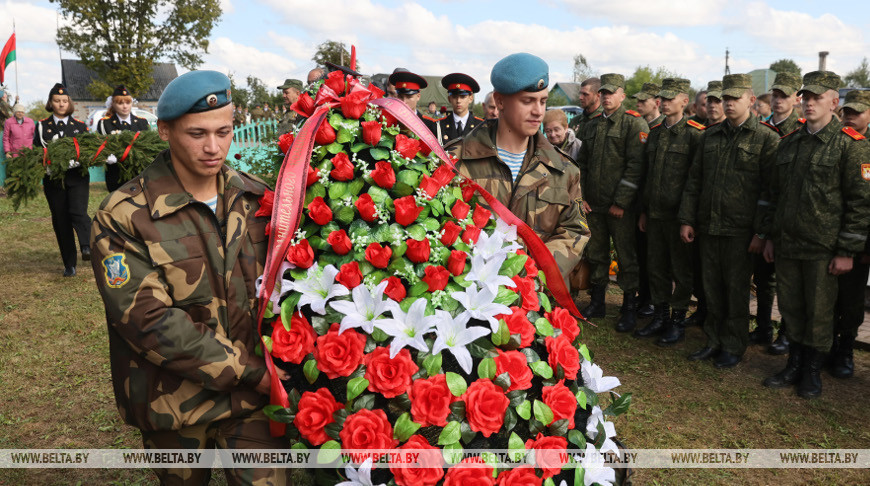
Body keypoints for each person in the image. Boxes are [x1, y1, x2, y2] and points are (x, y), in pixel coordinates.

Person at [89, 70, 290, 484]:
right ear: (164, 130)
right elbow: (147, 321)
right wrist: (256, 373)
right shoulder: (124, 214)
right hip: (175, 406)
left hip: (253, 404)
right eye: (197, 133)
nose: (213, 147)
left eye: (224, 131)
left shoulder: (258, 199)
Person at [762, 72, 870, 398]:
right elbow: (775, 195)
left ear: (834, 102)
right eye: (805, 97)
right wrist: (769, 236)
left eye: (817, 98)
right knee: (792, 307)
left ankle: (812, 369)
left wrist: (847, 251)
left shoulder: (851, 145)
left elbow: (860, 203)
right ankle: (793, 362)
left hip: (824, 249)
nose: (809, 103)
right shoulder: (790, 142)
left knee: (820, 312)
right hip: (789, 243)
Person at [447, 52, 589, 288]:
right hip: (468, 293)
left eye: (543, 101)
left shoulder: (563, 169)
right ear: (500, 101)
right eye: (528, 101)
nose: (538, 111)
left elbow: (574, 230)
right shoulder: (456, 160)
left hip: (536, 299)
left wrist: (533, 274)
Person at [679, 74, 779, 369]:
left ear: (751, 99)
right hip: (709, 226)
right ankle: (713, 339)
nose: (730, 103)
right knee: (711, 288)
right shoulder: (709, 136)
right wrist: (687, 219)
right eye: (726, 98)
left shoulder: (765, 139)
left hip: (741, 231)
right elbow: (694, 181)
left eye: (736, 98)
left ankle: (733, 344)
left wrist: (761, 232)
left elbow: (770, 192)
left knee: (736, 291)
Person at [576, 73, 649, 332]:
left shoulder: (633, 125)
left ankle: (629, 308)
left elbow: (635, 167)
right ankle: (598, 302)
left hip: (620, 209)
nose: (606, 97)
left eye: (611, 93)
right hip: (593, 205)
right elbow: (582, 163)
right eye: (603, 93)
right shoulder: (592, 125)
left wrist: (621, 202)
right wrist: (581, 196)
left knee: (626, 257)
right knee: (597, 254)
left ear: (622, 95)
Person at [635, 78, 704, 345]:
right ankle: (661, 315)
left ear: (684, 101)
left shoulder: (695, 134)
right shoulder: (655, 133)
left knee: (681, 270)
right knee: (657, 267)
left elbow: (696, 181)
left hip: (678, 217)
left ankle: (677, 321)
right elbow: (647, 177)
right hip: (655, 215)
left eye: (669, 98)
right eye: (661, 99)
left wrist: (688, 219)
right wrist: (643, 211)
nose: (663, 103)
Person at [752, 72, 804, 354]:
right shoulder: (761, 128)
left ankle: (785, 333)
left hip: (786, 219)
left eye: (785, 95)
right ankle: (762, 328)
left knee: (785, 283)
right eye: (775, 95)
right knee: (761, 279)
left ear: (797, 99)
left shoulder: (801, 130)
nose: (779, 100)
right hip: (761, 213)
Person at [830, 89, 870, 379]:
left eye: (857, 111)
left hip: (860, 241)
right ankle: (828, 344)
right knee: (828, 298)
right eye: (847, 111)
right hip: (828, 234)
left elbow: (863, 201)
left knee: (852, 299)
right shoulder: (833, 142)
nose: (850, 116)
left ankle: (845, 349)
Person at [33, 83, 90, 277]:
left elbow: (89, 151)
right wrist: (46, 164)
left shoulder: (80, 127)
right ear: (51, 102)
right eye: (57, 101)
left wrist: (79, 159)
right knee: (61, 219)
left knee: (78, 211)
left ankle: (86, 245)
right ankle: (69, 263)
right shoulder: (42, 126)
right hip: (54, 179)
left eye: (64, 101)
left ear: (69, 103)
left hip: (77, 177)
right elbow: (37, 150)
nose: (61, 104)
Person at [631, 81, 662, 318]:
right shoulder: (639, 126)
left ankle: (653, 300)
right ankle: (644, 296)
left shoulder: (661, 128)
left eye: (644, 100)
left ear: (657, 103)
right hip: (639, 201)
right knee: (640, 253)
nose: (639, 104)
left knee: (655, 256)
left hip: (655, 204)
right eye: (638, 100)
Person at [96, 85, 151, 192]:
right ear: (113, 104)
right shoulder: (105, 123)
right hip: (116, 174)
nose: (125, 106)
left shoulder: (142, 122)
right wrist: (107, 156)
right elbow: (100, 145)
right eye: (120, 103)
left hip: (138, 173)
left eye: (128, 103)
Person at [437, 72, 483, 144]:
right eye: (454, 97)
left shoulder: (481, 126)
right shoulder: (439, 125)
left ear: (470, 98)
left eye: (463, 97)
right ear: (449, 99)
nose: (458, 101)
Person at [389, 69, 437, 134]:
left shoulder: (429, 124)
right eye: (400, 97)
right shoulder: (388, 121)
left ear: (418, 96)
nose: (404, 102)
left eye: (409, 97)